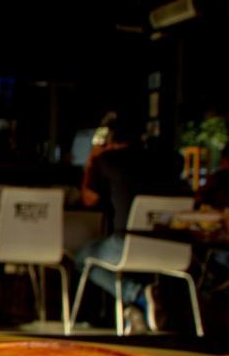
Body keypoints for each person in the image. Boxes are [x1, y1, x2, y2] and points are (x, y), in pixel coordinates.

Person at [74, 112, 188, 333]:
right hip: (173, 248)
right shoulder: (162, 161)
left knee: (82, 257)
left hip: (128, 244)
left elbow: (89, 199)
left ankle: (136, 295)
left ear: (111, 136)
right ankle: (136, 314)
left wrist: (91, 161)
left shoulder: (107, 161)